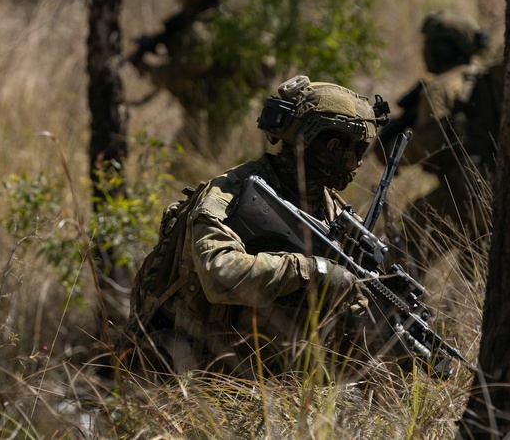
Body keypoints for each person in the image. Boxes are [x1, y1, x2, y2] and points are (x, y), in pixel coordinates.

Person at [119, 77, 392, 377]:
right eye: (356, 151)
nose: (357, 164)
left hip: (267, 380)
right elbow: (218, 273)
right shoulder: (229, 195)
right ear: (332, 146)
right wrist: (313, 271)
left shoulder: (332, 212)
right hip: (188, 375)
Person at [375, 10, 498, 273]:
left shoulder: (441, 87)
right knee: (481, 275)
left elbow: (429, 142)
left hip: (465, 192)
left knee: (400, 253)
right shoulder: (480, 77)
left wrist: (393, 154)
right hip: (496, 189)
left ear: (443, 47)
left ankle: (385, 312)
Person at [130, 0, 235, 153]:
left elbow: (182, 75)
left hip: (207, 120)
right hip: (216, 115)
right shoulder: (221, 24)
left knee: (186, 171)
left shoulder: (199, 33)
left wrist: (149, 69)